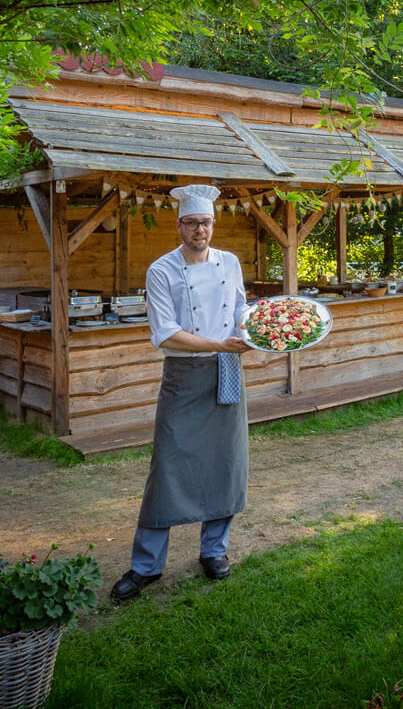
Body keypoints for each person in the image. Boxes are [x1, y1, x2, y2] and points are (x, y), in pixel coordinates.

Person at [110, 184, 253, 603]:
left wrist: (254, 328)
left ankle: (214, 552)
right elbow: (166, 333)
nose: (199, 230)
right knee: (168, 468)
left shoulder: (230, 262)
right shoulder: (162, 270)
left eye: (205, 223)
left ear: (213, 224)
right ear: (180, 227)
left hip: (226, 372)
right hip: (184, 375)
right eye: (191, 224)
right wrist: (219, 344)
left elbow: (241, 308)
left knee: (226, 463)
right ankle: (146, 566)